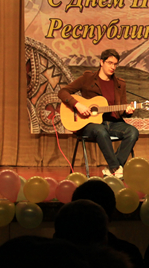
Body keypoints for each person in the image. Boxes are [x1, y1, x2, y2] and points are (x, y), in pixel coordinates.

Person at [57, 49, 139, 178]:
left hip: (113, 122)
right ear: (101, 62)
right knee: (101, 131)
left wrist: (128, 111)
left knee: (133, 132)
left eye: (115, 64)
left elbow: (122, 109)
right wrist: (77, 105)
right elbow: (62, 92)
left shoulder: (120, 84)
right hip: (89, 123)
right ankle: (116, 168)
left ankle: (112, 169)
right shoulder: (88, 78)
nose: (113, 67)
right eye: (110, 63)